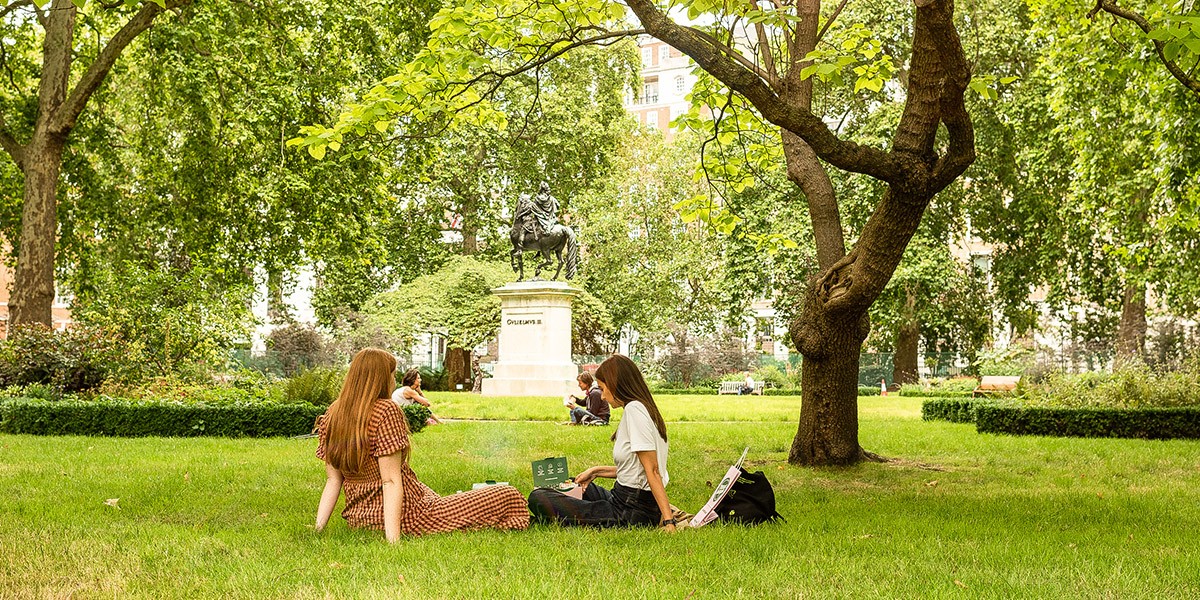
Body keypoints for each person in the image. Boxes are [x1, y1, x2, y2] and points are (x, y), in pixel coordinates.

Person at [314, 348, 528, 542]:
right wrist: (393, 541)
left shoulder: (334, 412)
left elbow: (333, 480)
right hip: (409, 517)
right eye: (391, 374)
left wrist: (318, 529)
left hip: (359, 518)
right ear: (380, 378)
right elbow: (389, 482)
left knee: (430, 493)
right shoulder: (385, 411)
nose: (393, 380)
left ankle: (457, 508)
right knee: (506, 493)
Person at [528, 354, 675, 531]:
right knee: (570, 483)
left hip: (630, 511)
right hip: (623, 498)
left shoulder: (635, 409)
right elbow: (636, 469)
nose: (603, 396)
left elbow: (653, 470)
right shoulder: (641, 407)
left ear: (616, 385)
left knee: (539, 497)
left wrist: (668, 521)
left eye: (604, 389)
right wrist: (595, 471)